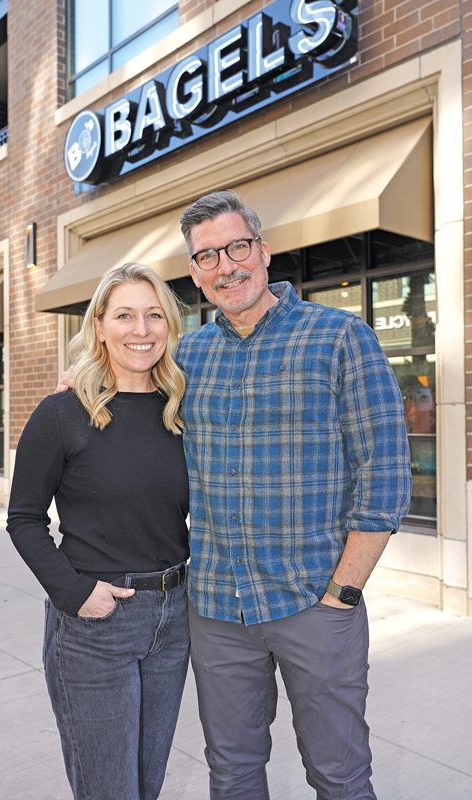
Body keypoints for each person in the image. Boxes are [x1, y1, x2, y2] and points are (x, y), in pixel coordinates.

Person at [57, 191, 412, 800]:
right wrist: (80, 379)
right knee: (234, 773)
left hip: (314, 604)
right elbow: (126, 372)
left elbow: (385, 476)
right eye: (206, 257)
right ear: (194, 273)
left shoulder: (340, 338)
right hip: (218, 610)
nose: (226, 266)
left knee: (341, 775)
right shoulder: (186, 356)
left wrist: (343, 592)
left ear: (264, 252)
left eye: (237, 247)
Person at [7, 263, 190, 800]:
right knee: (110, 789)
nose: (141, 329)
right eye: (125, 315)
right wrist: (75, 593)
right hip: (95, 623)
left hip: (172, 619)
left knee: (147, 784)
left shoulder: (181, 410)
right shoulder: (63, 412)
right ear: (100, 326)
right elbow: (24, 519)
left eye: (154, 315)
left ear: (169, 327)